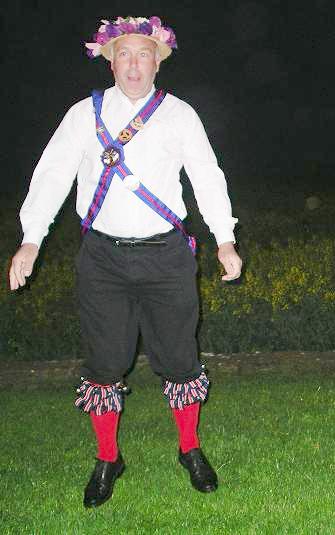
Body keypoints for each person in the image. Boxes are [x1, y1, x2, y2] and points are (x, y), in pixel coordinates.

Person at [8, 16, 242, 507]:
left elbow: (206, 174)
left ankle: (190, 447)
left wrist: (224, 239)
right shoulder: (82, 115)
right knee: (104, 364)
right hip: (102, 260)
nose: (134, 64)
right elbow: (51, 174)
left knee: (180, 359)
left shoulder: (180, 114)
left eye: (144, 54)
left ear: (157, 60)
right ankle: (108, 457)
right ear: (109, 60)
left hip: (167, 258)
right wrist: (31, 239)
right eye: (125, 54)